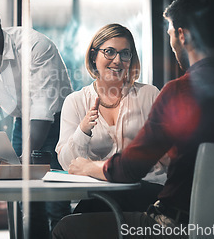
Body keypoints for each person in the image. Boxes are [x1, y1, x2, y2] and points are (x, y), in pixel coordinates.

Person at [52, 0, 214, 239]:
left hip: (174, 224)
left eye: (170, 33)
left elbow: (131, 168)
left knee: (65, 228)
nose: (171, 44)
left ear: (182, 35)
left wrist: (89, 167)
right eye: (109, 52)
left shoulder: (177, 92)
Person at [0, 4, 73, 238]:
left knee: (54, 199)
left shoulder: (35, 47)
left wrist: (21, 163)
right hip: (22, 120)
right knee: (24, 200)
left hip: (57, 122)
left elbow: (43, 111)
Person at [56, 23, 167, 214]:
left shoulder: (149, 94)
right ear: (93, 56)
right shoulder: (75, 101)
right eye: (109, 52)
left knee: (73, 225)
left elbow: (165, 155)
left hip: (146, 192)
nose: (117, 60)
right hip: (98, 195)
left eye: (125, 53)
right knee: (74, 222)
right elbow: (68, 164)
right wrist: (83, 130)